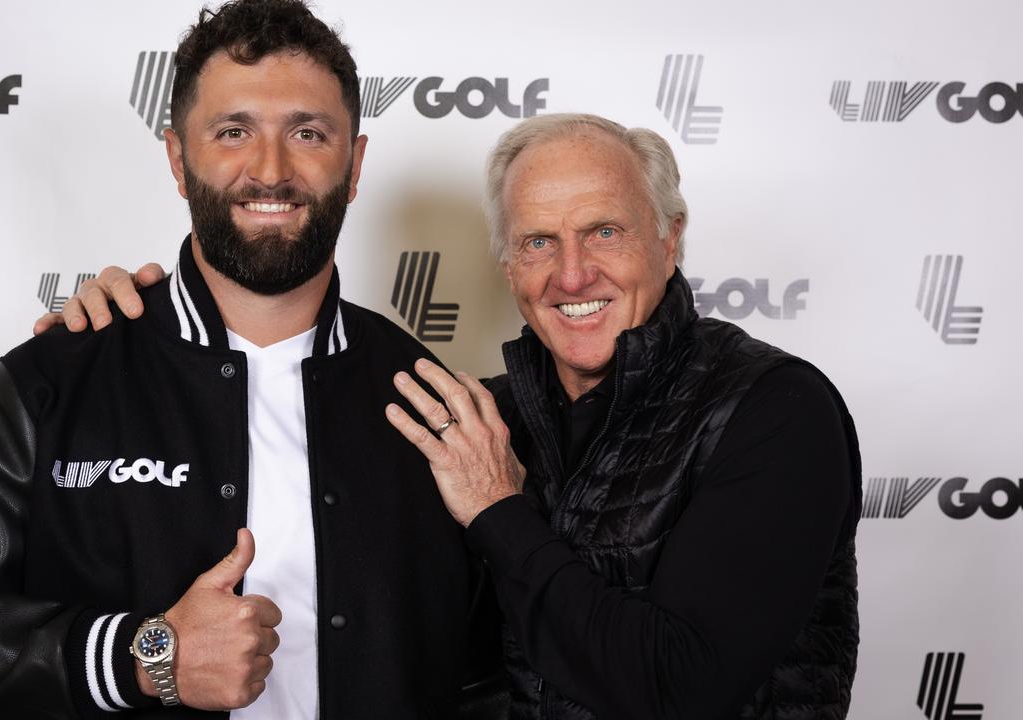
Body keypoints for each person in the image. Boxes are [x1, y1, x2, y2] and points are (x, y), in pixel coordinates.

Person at [63, 114, 861, 720]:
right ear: (507, 264)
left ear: (670, 237)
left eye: (605, 231)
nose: (571, 272)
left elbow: (677, 685)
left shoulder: (773, 408)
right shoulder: (475, 413)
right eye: (538, 241)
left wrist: (497, 509)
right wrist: (131, 336)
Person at [0, 2, 498, 718]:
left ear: (353, 165)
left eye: (309, 132)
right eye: (234, 132)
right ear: (177, 158)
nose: (270, 169)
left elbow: (493, 674)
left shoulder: (434, 403)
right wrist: (143, 655)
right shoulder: (54, 379)